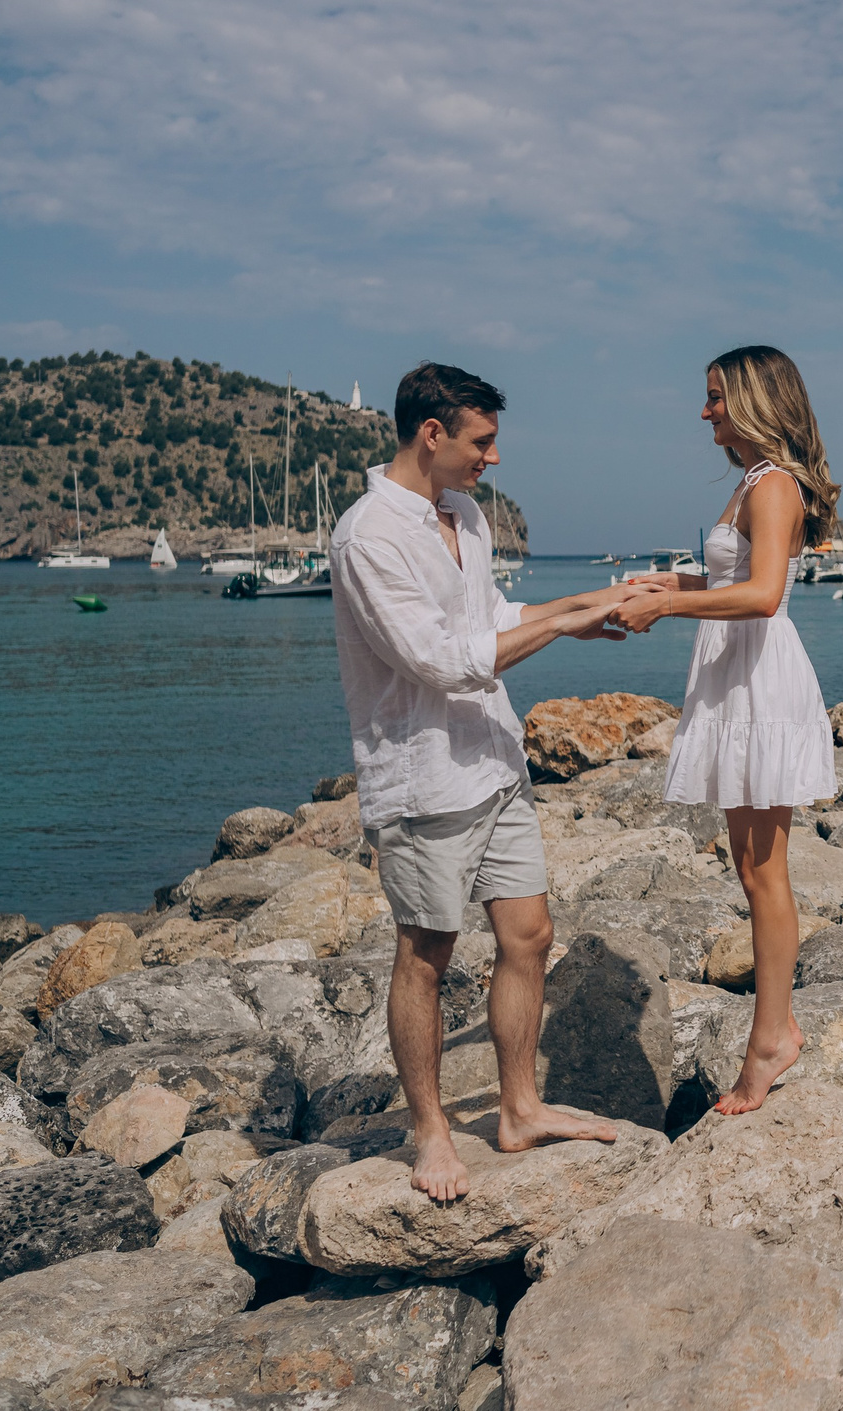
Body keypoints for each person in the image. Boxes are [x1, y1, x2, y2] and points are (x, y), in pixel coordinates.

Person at [331, 361, 639, 1200]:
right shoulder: (368, 537)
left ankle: (519, 1107)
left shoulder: (462, 515)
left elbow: (489, 620)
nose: (492, 458)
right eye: (482, 440)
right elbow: (440, 660)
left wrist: (582, 611)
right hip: (424, 777)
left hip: (495, 758)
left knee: (529, 935)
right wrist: (570, 616)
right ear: (432, 434)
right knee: (426, 955)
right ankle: (430, 1132)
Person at [616, 345, 841, 1113]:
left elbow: (765, 593)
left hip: (759, 680)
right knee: (752, 868)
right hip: (738, 677)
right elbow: (729, 580)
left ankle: (772, 1038)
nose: (705, 411)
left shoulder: (773, 484)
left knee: (765, 872)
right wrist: (662, 584)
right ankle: (773, 1029)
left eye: (715, 397)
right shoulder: (751, 482)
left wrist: (671, 606)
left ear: (752, 401)